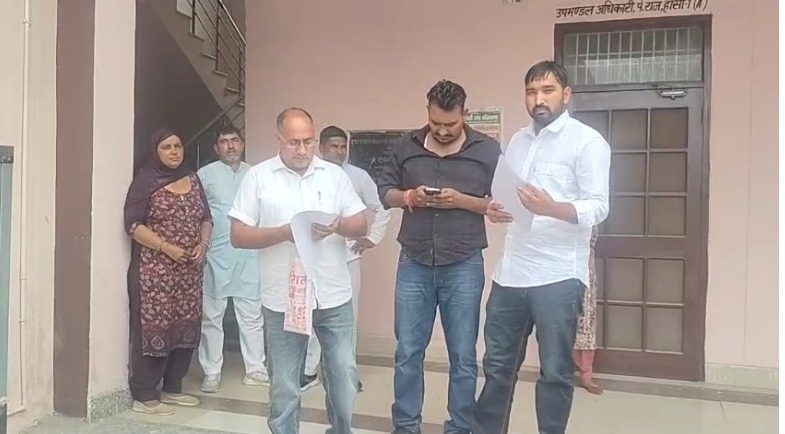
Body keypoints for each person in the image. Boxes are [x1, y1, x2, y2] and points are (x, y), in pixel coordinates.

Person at [473, 61, 611, 434]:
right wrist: (496, 208)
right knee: (497, 368)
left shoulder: (587, 142)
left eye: (547, 91)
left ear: (566, 94)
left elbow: (599, 206)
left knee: (555, 373)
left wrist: (552, 208)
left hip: (558, 276)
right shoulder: (518, 140)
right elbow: (509, 192)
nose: (538, 99)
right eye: (531, 92)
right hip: (511, 273)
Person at [229, 108, 368, 434]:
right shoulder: (258, 177)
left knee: (344, 375)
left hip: (333, 294)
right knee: (285, 384)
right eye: (294, 142)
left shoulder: (333, 176)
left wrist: (337, 225)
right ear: (278, 139)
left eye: (308, 141)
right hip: (284, 298)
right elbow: (238, 235)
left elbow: (361, 224)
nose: (303, 149)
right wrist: (283, 233)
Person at [377, 80, 502, 434]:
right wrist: (409, 197)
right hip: (414, 260)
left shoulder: (488, 150)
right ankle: (406, 426)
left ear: (465, 114)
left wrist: (460, 200)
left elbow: (500, 203)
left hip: (464, 262)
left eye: (451, 123)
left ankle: (459, 427)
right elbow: (384, 191)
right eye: (436, 123)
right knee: (407, 352)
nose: (443, 130)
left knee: (463, 355)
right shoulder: (407, 145)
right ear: (427, 113)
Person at [123, 128, 213, 415]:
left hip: (189, 272)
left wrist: (203, 244)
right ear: (155, 151)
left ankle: (173, 387)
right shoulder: (145, 182)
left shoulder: (192, 178)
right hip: (154, 273)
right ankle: (144, 393)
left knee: (186, 325)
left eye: (177, 146)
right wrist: (167, 248)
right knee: (155, 328)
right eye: (166, 147)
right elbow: (133, 225)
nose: (174, 151)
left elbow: (206, 218)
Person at [303, 125, 391, 392]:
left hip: (348, 258)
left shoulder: (358, 176)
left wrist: (372, 237)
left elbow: (381, 206)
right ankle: (308, 371)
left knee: (347, 317)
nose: (340, 151)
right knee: (311, 313)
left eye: (343, 147)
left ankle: (346, 373)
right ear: (321, 147)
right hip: (315, 258)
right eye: (334, 146)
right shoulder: (307, 175)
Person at [197, 126, 268, 393]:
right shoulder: (205, 175)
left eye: (234, 140)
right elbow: (197, 215)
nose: (230, 146)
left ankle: (255, 369)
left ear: (243, 144)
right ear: (216, 148)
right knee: (211, 316)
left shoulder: (256, 174)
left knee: (252, 315)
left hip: (249, 256)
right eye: (224, 141)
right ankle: (211, 371)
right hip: (216, 256)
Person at [574, 226, 603, 395]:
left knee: (586, 320)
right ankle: (555, 373)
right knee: (557, 323)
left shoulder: (589, 213)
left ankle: (586, 375)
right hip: (556, 270)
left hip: (584, 269)